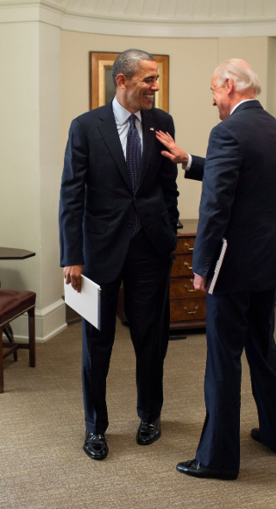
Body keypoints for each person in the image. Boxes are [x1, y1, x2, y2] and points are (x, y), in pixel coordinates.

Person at [156, 59, 276, 480]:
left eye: (214, 89)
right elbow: (243, 179)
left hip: (231, 269)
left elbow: (216, 207)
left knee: (223, 362)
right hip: (268, 261)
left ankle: (217, 459)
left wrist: (201, 264)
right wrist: (188, 159)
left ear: (229, 86)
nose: (213, 98)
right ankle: (274, 433)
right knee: (263, 350)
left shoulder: (228, 131)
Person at [59, 49, 179, 461]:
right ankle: (95, 427)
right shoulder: (85, 127)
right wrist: (71, 255)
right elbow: (71, 195)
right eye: (148, 79)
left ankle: (150, 415)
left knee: (151, 338)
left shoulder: (161, 122)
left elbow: (168, 185)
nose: (155, 87)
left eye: (157, 79)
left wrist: (169, 230)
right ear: (122, 81)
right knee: (98, 341)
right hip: (99, 251)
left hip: (151, 249)